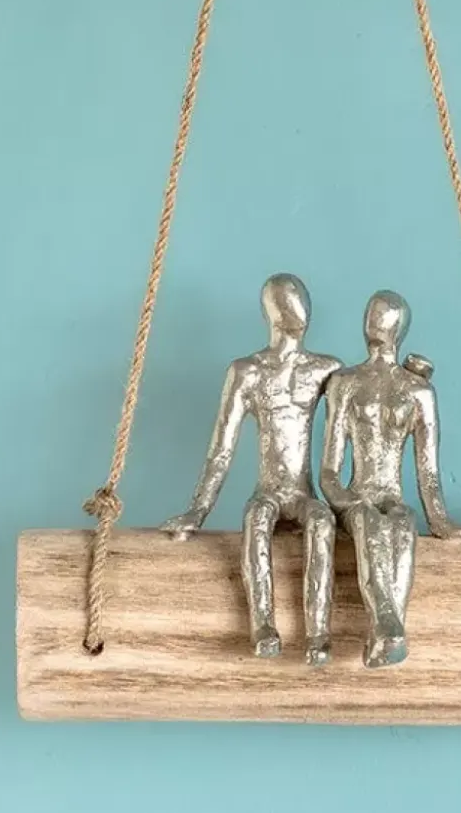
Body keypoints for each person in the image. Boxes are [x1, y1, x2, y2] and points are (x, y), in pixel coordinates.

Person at [161, 273, 341, 664]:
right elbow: (221, 449)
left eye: (299, 301)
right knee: (256, 519)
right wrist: (198, 510)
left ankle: (318, 634)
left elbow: (363, 406)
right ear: (271, 311)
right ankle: (263, 627)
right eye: (287, 301)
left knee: (322, 521)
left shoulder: (325, 369)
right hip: (269, 491)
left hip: (304, 492)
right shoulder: (247, 371)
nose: (297, 310)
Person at [319, 289, 461, 668]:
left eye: (384, 317)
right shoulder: (345, 382)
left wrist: (441, 522)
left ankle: (387, 633)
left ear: (400, 329)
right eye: (372, 315)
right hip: (355, 497)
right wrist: (346, 500)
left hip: (391, 495)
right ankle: (389, 627)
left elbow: (429, 473)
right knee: (370, 521)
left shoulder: (418, 391)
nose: (376, 324)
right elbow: (328, 471)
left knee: (404, 522)